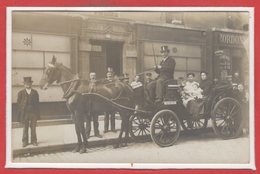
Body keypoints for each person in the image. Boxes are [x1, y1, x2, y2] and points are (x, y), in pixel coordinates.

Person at [17, 77, 40, 147]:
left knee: (33, 127)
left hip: (33, 112)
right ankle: (25, 141)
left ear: (31, 84)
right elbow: (18, 102)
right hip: (25, 113)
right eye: (26, 83)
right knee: (25, 127)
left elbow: (37, 102)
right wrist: (23, 109)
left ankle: (34, 141)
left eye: (29, 83)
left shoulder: (35, 92)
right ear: (24, 84)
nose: (28, 84)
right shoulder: (20, 93)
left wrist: (36, 112)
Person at [85, 72, 102, 138]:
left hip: (96, 104)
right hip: (88, 105)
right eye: (92, 75)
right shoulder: (87, 83)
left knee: (95, 120)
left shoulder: (98, 84)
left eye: (94, 75)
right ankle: (87, 134)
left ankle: (96, 133)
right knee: (88, 120)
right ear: (89, 76)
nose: (93, 77)